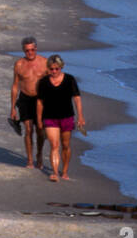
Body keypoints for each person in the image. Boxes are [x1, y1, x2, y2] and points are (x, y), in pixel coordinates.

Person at [36, 55, 86, 182]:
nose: (54, 71)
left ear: (61, 67)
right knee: (54, 144)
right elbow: (40, 102)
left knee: (65, 145)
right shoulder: (43, 82)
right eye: (51, 69)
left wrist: (80, 116)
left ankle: (64, 171)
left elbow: (77, 98)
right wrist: (39, 119)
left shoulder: (70, 79)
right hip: (50, 117)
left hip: (67, 116)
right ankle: (54, 173)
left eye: (56, 69)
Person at [10, 37, 49, 169]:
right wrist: (12, 108)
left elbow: (53, 82)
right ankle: (30, 160)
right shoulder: (19, 64)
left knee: (40, 130)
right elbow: (15, 86)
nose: (30, 53)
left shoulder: (45, 62)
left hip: (40, 100)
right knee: (28, 130)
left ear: (36, 49)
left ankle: (39, 154)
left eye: (32, 50)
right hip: (25, 99)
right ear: (23, 50)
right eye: (27, 51)